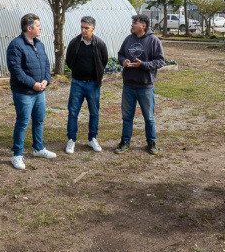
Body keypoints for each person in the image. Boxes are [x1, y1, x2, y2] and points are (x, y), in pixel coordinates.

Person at [7, 13, 56, 170]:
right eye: (37, 25)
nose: (40, 27)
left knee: (39, 120)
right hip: (24, 93)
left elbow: (46, 64)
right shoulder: (16, 45)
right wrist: (32, 84)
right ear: (29, 28)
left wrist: (45, 80)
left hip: (40, 91)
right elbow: (16, 70)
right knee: (22, 122)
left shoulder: (39, 44)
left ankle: (38, 148)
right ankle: (17, 155)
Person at [115, 14, 165, 155]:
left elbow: (160, 61)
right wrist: (123, 61)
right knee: (127, 116)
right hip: (129, 85)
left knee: (148, 117)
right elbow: (120, 54)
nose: (132, 25)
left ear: (143, 26)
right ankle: (125, 141)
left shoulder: (154, 40)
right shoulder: (128, 39)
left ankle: (151, 142)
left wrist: (142, 65)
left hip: (145, 86)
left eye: (134, 23)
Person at [64, 16, 109, 154]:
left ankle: (92, 139)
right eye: (82, 27)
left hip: (93, 84)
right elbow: (69, 61)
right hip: (77, 83)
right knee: (73, 112)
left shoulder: (99, 44)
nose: (83, 30)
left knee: (94, 112)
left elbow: (104, 61)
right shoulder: (75, 43)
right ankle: (71, 139)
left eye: (86, 28)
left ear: (93, 28)